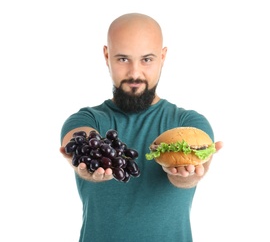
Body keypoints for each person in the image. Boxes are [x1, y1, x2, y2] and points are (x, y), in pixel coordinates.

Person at [60, 12, 223, 242]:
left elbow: (188, 179)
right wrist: (86, 155)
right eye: (123, 59)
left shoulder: (189, 124)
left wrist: (185, 175)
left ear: (162, 57)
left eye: (146, 59)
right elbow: (80, 138)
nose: (135, 73)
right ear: (107, 56)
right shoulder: (86, 119)